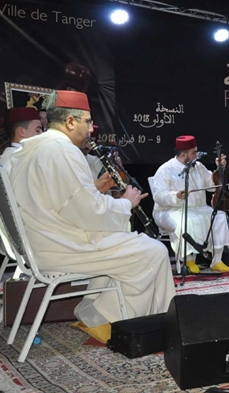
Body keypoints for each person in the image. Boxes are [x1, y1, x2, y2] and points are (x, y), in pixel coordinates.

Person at [9, 90, 175, 343]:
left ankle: (98, 316)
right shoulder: (62, 150)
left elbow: (71, 204)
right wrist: (124, 204)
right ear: (70, 121)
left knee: (126, 250)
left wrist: (109, 202)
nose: (90, 128)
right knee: (153, 252)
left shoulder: (31, 150)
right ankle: (139, 328)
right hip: (59, 245)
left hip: (42, 242)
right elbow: (87, 211)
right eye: (87, 121)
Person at [152, 135, 229, 273]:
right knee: (184, 221)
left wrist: (219, 169)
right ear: (184, 155)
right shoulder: (165, 169)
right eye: (194, 152)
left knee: (219, 216)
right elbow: (159, 196)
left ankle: (217, 260)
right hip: (170, 210)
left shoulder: (199, 167)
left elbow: (211, 186)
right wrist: (176, 195)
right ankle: (188, 259)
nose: (197, 155)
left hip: (198, 208)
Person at [0, 107, 42, 173]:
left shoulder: (6, 158)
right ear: (21, 131)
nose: (42, 134)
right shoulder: (19, 159)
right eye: (37, 130)